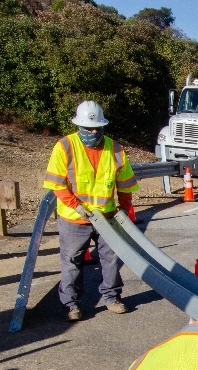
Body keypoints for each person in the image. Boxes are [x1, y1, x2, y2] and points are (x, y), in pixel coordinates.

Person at [43, 100, 139, 322]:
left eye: (97, 128)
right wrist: (75, 205)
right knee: (71, 261)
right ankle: (71, 304)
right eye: (88, 128)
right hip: (74, 218)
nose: (93, 132)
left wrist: (123, 208)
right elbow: (57, 184)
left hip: (107, 217)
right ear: (79, 126)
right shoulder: (65, 146)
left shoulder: (115, 149)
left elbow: (124, 183)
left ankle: (112, 298)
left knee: (112, 259)